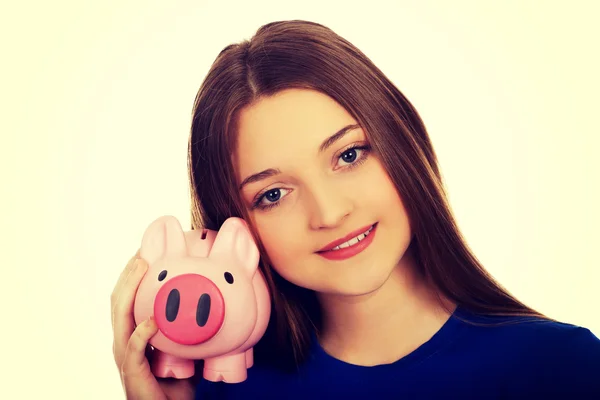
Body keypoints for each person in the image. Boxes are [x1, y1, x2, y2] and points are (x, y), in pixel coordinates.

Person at [110, 20, 600, 399]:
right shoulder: (223, 390)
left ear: (402, 141)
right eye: (273, 194)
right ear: (234, 232)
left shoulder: (561, 367)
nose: (328, 213)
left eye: (348, 155)